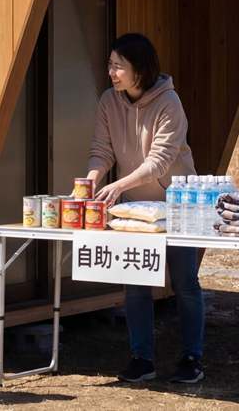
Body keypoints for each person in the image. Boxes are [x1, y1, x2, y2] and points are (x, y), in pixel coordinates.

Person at [86, 33, 205, 384]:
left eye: (118, 66)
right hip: (134, 208)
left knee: (184, 281)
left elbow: (160, 161)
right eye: (110, 65)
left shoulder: (170, 102)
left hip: (177, 205)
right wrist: (90, 183)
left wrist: (119, 184)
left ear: (140, 70)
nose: (111, 72)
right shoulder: (109, 100)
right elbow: (102, 150)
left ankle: (192, 358)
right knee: (136, 283)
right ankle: (141, 359)